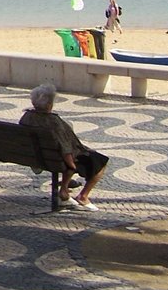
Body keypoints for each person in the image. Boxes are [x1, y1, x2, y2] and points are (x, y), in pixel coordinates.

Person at [19, 83, 108, 211]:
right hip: (56, 158)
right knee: (100, 161)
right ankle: (81, 196)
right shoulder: (54, 122)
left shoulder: (27, 116)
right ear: (50, 104)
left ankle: (65, 188)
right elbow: (66, 149)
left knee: (66, 157)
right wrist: (71, 166)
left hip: (37, 156)